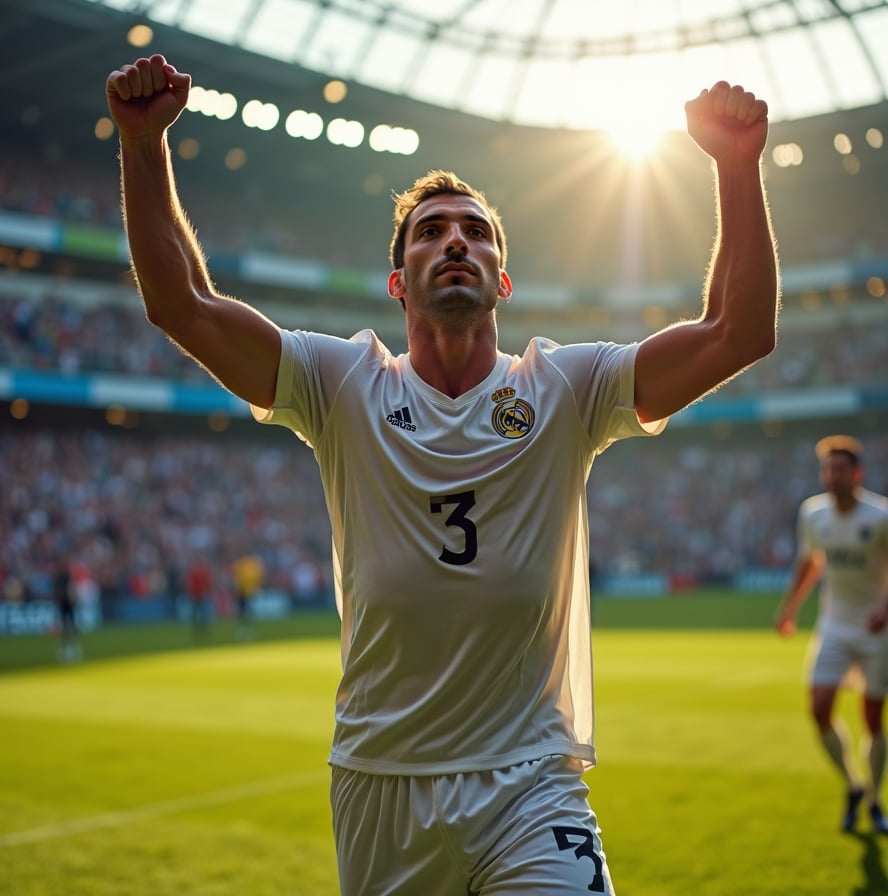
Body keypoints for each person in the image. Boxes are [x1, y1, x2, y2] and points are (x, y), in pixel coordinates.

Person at [106, 54, 779, 895]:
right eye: (430, 231)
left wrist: (737, 166)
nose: (454, 238)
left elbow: (736, 332)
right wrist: (143, 147)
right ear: (398, 284)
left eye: (473, 230)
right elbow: (183, 303)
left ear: (501, 278)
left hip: (533, 779)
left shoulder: (567, 386)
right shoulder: (338, 383)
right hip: (382, 781)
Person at [776, 435, 888, 835]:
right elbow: (810, 563)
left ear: (857, 473)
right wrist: (790, 608)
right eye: (827, 469)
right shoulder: (813, 513)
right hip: (834, 626)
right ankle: (854, 785)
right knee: (819, 708)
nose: (832, 476)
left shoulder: (880, 516)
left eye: (840, 469)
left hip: (878, 631)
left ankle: (875, 798)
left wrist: (884, 609)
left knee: (873, 720)